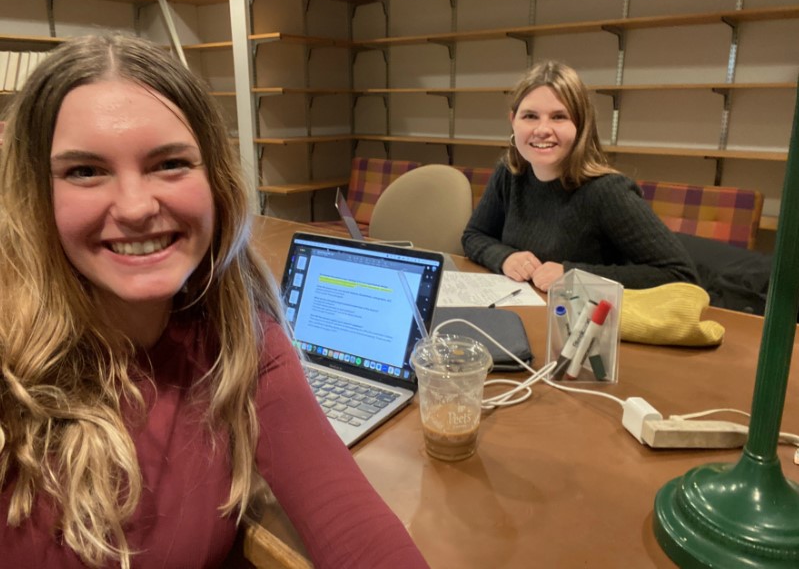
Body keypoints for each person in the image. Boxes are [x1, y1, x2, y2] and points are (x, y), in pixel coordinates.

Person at [0, 34, 429, 569]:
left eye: (170, 163)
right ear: (36, 194)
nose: (135, 207)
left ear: (217, 181)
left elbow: (357, 534)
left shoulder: (241, 341)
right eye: (85, 171)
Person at [462, 60, 697, 292]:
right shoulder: (509, 173)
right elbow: (474, 235)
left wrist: (573, 276)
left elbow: (681, 276)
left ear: (581, 125)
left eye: (558, 116)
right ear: (513, 121)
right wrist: (504, 257)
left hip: (583, 323)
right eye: (530, 116)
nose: (542, 129)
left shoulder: (608, 191)